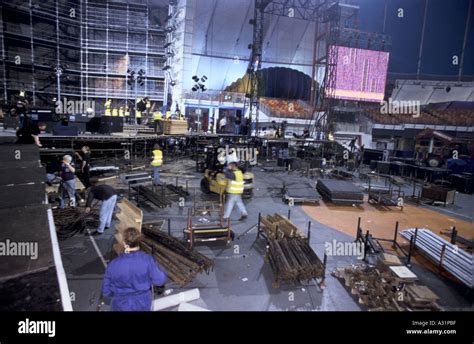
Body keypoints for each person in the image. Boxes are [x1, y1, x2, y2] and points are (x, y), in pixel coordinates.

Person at [102, 227, 167, 311]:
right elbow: (160, 280)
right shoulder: (147, 260)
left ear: (124, 243)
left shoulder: (113, 264)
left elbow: (106, 291)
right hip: (142, 302)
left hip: (121, 304)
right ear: (139, 241)